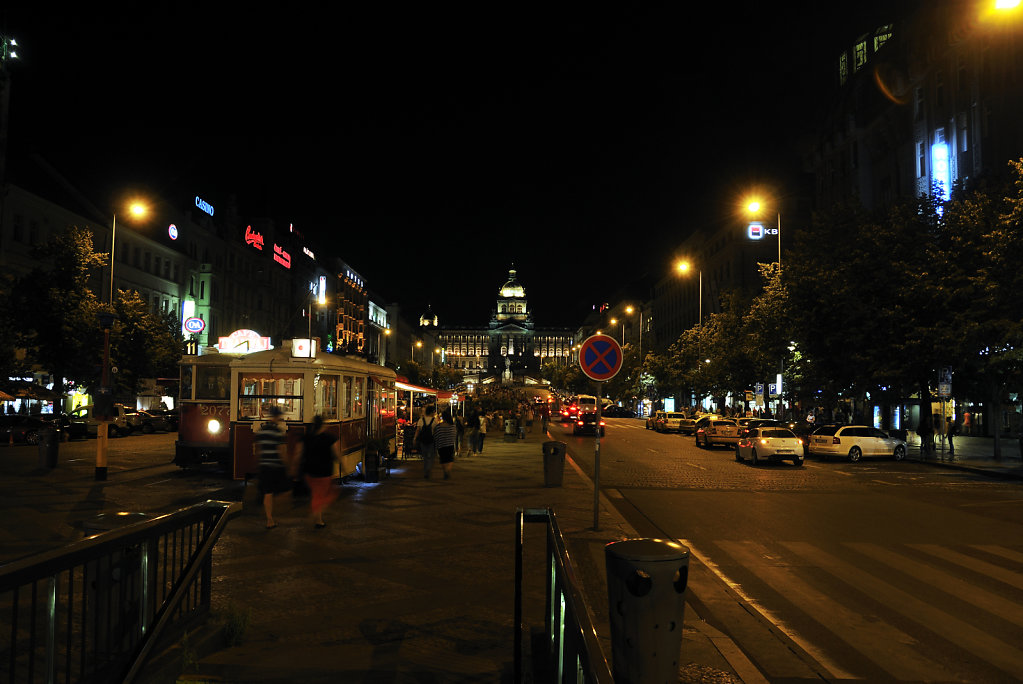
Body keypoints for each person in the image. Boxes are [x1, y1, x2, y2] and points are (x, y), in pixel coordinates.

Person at [299, 415, 342, 528]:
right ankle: (315, 515)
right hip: (324, 472)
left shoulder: (306, 438)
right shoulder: (330, 438)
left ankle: (318, 517)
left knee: (316, 494)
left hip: (309, 471)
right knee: (327, 494)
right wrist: (343, 466)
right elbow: (337, 454)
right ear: (323, 425)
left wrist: (294, 468)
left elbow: (298, 454)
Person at [254, 406, 291, 529]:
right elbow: (281, 451)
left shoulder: (261, 430)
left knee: (267, 493)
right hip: (276, 466)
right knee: (285, 491)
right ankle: (275, 514)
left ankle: (269, 519)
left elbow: (258, 449)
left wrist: (259, 463)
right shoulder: (278, 432)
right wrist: (286, 465)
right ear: (277, 417)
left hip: (264, 466)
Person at [415, 404, 438, 478]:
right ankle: (428, 469)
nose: (434, 413)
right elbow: (436, 431)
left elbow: (417, 430)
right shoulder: (434, 421)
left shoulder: (421, 420)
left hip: (423, 440)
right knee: (430, 456)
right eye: (434, 412)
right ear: (431, 412)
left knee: (425, 456)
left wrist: (415, 438)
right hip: (431, 440)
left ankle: (426, 471)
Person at [434, 409, 457, 479]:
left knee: (443, 459)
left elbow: (436, 436)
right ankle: (447, 470)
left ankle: (445, 471)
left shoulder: (438, 427)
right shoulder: (453, 426)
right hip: (450, 445)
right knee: (450, 459)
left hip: (441, 445)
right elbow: (454, 435)